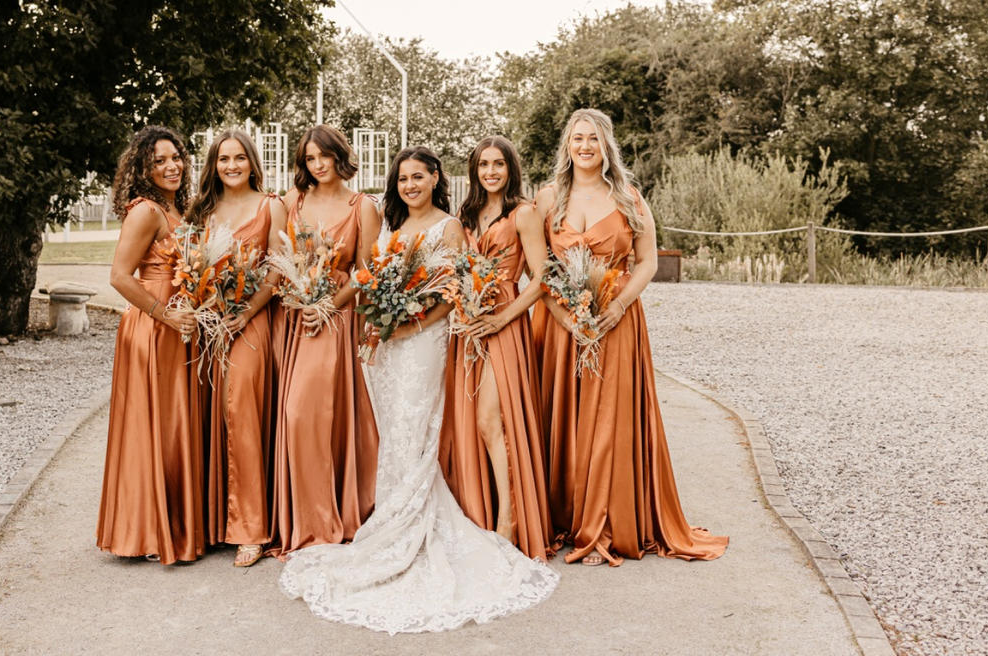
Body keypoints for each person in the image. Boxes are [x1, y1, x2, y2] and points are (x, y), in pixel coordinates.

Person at [279, 146, 558, 634]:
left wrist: (410, 326)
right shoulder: (388, 225)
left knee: (414, 428)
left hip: (424, 343)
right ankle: (389, 519)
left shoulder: (449, 226)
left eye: (418, 177)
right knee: (393, 434)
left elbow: (449, 293)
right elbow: (372, 282)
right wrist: (377, 326)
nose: (409, 185)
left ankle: (411, 529)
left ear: (435, 179)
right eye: (402, 178)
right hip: (386, 345)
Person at [534, 108, 728, 566]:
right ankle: (564, 516)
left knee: (609, 423)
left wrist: (618, 306)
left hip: (615, 323)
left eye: (594, 140)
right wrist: (564, 317)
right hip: (562, 323)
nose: (585, 146)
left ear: (607, 148)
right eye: (577, 138)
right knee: (564, 418)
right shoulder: (546, 199)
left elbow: (647, 261)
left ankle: (602, 525)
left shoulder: (628, 198)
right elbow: (536, 266)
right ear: (566, 145)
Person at [97, 125, 205, 565]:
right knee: (155, 426)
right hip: (153, 327)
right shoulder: (145, 211)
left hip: (176, 326)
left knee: (173, 424)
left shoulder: (175, 208)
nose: (171, 166)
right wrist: (165, 315)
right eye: (159, 161)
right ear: (143, 168)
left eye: (175, 157)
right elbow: (120, 276)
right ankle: (149, 529)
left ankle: (172, 523)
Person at [442, 136, 554, 560]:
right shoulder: (466, 215)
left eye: (498, 164)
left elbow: (542, 278)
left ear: (511, 169)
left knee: (492, 418)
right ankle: (478, 511)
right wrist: (462, 308)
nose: (490, 172)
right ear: (474, 171)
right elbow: (453, 270)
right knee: (468, 420)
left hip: (504, 321)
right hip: (468, 323)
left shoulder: (523, 214)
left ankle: (509, 520)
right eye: (483, 165)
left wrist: (503, 319)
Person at [274, 125, 380, 555]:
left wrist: (329, 305)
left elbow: (365, 270)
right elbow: (276, 260)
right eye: (310, 159)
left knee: (329, 415)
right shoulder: (290, 202)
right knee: (298, 414)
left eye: (325, 156)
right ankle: (308, 519)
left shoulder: (363, 206)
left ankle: (338, 513)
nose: (318, 165)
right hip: (297, 317)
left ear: (341, 156)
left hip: (338, 316)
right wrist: (302, 301)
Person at [185, 129, 285, 568]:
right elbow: (188, 263)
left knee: (242, 411)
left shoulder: (271, 206)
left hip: (252, 321)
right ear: (214, 164)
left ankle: (252, 528)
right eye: (223, 159)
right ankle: (212, 521)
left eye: (239, 158)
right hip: (210, 323)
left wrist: (245, 314)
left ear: (252, 162)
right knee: (208, 415)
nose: (231, 166)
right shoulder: (203, 209)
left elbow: (277, 272)